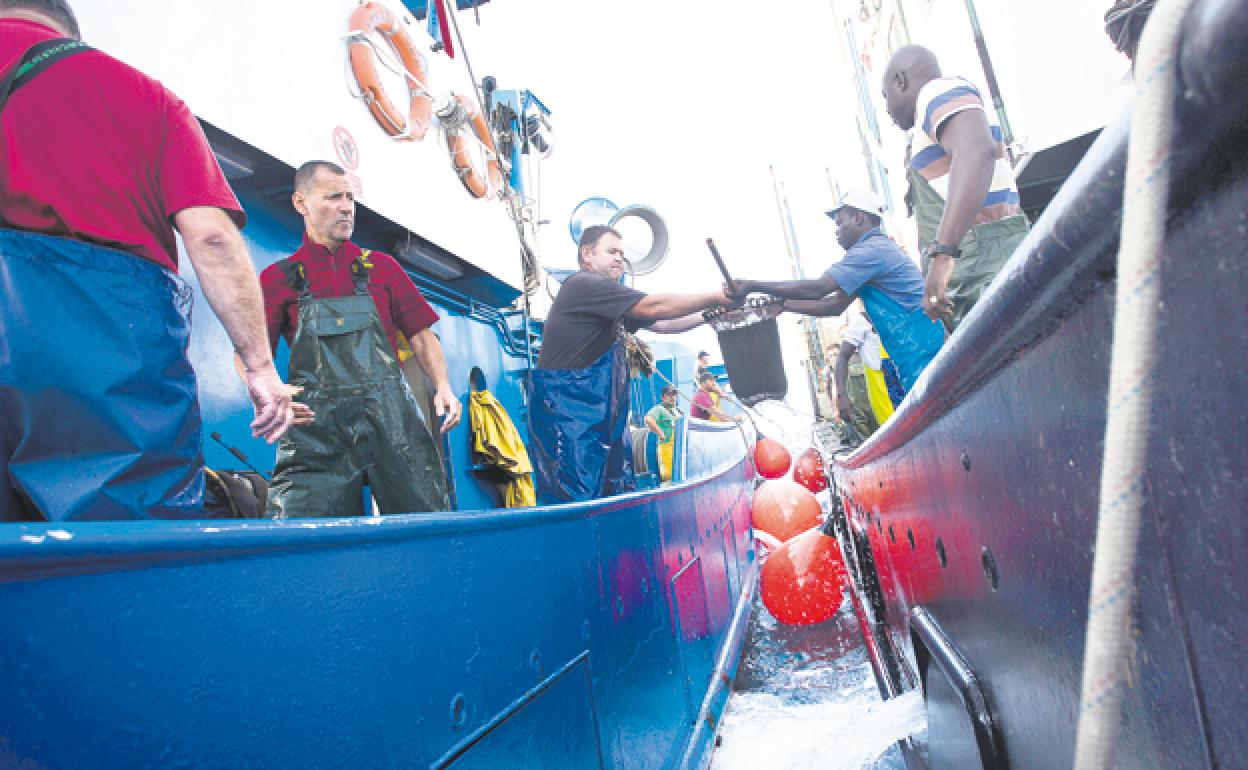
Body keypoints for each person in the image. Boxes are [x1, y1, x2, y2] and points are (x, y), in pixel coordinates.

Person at [0, 0, 292, 521]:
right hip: (104, 350)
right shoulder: (143, 95)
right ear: (68, 30)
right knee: (119, 541)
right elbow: (213, 238)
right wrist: (259, 367)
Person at [258, 160, 457, 517]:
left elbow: (421, 336)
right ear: (301, 203)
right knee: (301, 531)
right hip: (316, 431)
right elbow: (251, 354)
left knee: (425, 517)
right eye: (333, 197)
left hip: (392, 424)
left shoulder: (382, 268)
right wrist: (266, 389)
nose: (346, 207)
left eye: (350, 197)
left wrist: (442, 385)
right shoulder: (278, 279)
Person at [531, 224, 732, 504]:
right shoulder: (582, 285)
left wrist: (711, 314)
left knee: (614, 499)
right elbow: (654, 307)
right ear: (587, 254)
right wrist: (716, 296)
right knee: (577, 501)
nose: (619, 259)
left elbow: (663, 324)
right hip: (570, 426)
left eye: (622, 254)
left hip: (604, 428)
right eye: (612, 251)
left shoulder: (608, 304)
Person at [731, 189, 945, 392]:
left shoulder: (870, 251)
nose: (836, 231)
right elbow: (834, 305)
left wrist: (752, 285)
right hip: (919, 350)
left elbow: (818, 289)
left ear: (858, 218)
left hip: (923, 350)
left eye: (840, 222)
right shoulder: (876, 252)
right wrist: (784, 305)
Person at [882, 45, 1030, 330]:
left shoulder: (935, 92)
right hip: (983, 271)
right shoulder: (929, 124)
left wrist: (943, 255)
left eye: (885, 96)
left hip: (987, 267)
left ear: (900, 81)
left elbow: (977, 150)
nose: (887, 109)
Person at [840, 309, 896, 428]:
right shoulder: (861, 321)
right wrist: (842, 395)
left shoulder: (902, 310)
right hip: (884, 395)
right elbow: (842, 356)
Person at [644, 385, 681, 482]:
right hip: (666, 447)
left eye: (674, 395)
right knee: (669, 476)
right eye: (669, 395)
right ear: (663, 397)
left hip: (678, 449)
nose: (672, 397)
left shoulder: (677, 410)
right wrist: (660, 433)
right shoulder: (659, 409)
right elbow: (648, 419)